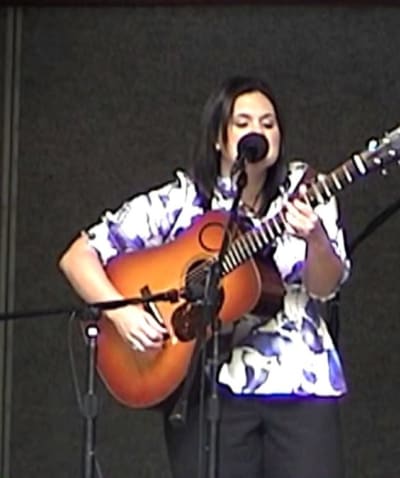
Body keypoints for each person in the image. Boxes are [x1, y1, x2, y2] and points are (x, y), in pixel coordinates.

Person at [58, 76, 349, 478]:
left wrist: (316, 238)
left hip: (300, 381)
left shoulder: (307, 191)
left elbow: (324, 286)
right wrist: (122, 314)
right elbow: (78, 257)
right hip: (205, 386)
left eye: (269, 123)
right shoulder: (183, 200)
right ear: (218, 137)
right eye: (243, 122)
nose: (258, 132)